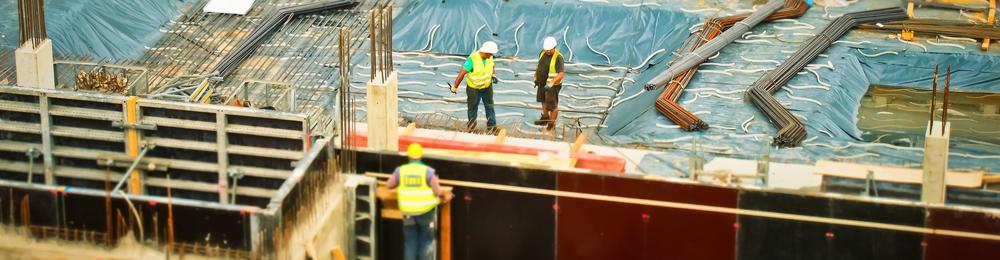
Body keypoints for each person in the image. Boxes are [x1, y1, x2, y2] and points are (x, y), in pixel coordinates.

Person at [387, 143, 453, 260]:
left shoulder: (400, 171)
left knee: (410, 243)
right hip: (425, 212)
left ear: (408, 156)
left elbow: (389, 185)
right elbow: (438, 191)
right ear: (421, 156)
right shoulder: (428, 172)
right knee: (426, 242)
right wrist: (446, 195)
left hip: (408, 213)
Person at [451, 41, 499, 132]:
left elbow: (492, 66)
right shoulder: (472, 59)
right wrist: (455, 87)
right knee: (472, 108)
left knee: (490, 106)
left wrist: (494, 75)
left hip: (487, 87)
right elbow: (462, 74)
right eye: (490, 54)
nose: (491, 55)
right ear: (485, 52)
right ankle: (471, 127)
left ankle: (492, 126)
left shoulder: (490, 57)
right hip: (474, 89)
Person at [533, 37, 565, 131]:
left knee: (552, 105)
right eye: (546, 49)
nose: (547, 51)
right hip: (541, 83)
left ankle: (551, 124)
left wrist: (551, 83)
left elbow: (561, 74)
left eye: (549, 49)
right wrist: (536, 77)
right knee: (543, 100)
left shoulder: (558, 58)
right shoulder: (542, 52)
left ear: (554, 47)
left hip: (552, 86)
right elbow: (539, 66)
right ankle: (545, 118)